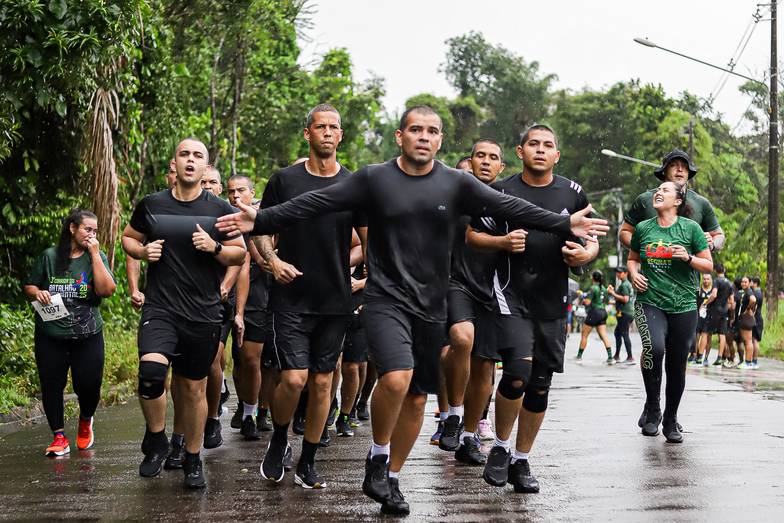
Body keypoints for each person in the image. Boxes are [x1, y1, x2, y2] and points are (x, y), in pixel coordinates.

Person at [216, 106, 609, 515]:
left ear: (440, 141)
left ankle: (390, 474)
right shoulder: (374, 178)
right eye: (416, 129)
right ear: (400, 136)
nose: (424, 136)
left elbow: (514, 209)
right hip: (386, 299)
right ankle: (380, 457)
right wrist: (261, 218)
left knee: (419, 400)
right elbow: (316, 202)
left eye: (432, 131)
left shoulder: (457, 184)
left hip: (431, 305)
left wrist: (565, 226)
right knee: (398, 376)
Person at [468, 124, 600, 493]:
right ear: (520, 151)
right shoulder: (501, 190)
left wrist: (585, 254)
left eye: (548, 146)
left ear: (557, 155)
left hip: (553, 299)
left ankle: (522, 460)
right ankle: (501, 446)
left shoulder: (572, 193)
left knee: (540, 386)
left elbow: (590, 241)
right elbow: (471, 235)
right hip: (511, 295)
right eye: (533, 144)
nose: (540, 150)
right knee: (515, 374)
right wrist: (501, 241)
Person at [122, 138, 246, 489]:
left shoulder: (220, 208)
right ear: (174, 163)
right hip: (161, 307)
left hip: (203, 312)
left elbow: (239, 254)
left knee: (193, 390)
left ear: (206, 167)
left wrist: (216, 247)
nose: (190, 161)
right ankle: (157, 439)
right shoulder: (152, 204)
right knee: (150, 373)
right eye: (184, 154)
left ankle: (193, 458)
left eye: (198, 156)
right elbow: (127, 239)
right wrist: (143, 251)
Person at [254, 104, 365, 489]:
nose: (328, 133)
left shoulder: (353, 186)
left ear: (341, 136)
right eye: (321, 127)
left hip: (335, 300)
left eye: (335, 128)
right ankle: (281, 435)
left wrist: (374, 282)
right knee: (294, 378)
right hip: (291, 297)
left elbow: (368, 241)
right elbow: (260, 228)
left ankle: (310, 459)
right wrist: (272, 260)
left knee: (322, 383)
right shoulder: (284, 181)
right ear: (308, 134)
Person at [24, 209, 116, 456]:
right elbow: (30, 284)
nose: (92, 234)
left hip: (88, 334)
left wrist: (95, 254)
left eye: (95, 231)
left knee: (89, 385)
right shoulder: (49, 257)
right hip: (50, 334)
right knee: (51, 385)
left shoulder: (96, 256)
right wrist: (37, 293)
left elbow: (107, 290)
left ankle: (86, 420)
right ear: (72, 228)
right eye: (88, 229)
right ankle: (59, 437)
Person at [628, 181, 712, 443]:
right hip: (649, 300)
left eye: (665, 190)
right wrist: (633, 274)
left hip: (684, 305)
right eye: (657, 190)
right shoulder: (643, 228)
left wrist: (687, 257)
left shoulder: (691, 228)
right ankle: (653, 407)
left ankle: (671, 418)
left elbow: (707, 265)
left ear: (677, 201)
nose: (658, 193)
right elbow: (633, 258)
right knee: (654, 348)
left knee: (677, 363)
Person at [439, 140, 506, 462]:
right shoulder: (455, 196)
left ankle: (468, 435)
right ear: (471, 161)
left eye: (493, 157)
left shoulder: (508, 199)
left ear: (501, 167)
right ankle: (452, 414)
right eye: (480, 155)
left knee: (485, 367)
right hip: (456, 282)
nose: (486, 161)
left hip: (494, 291)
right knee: (461, 338)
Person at [226, 174, 270, 438]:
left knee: (257, 358)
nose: (235, 196)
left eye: (241, 190)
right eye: (231, 192)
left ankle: (255, 412)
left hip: (259, 292)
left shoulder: (263, 215)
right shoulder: (222, 217)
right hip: (228, 291)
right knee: (240, 357)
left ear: (252, 192)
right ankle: (245, 405)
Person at [200, 166, 240, 447]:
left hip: (222, 298)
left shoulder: (226, 215)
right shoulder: (183, 210)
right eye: (204, 182)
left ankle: (212, 417)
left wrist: (226, 285)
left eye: (213, 182)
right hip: (188, 298)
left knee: (215, 357)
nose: (208, 186)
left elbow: (242, 259)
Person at [620, 149, 725, 253]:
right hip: (651, 268)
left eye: (685, 166)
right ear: (664, 171)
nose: (680, 169)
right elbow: (625, 231)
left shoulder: (701, 203)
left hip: (689, 268)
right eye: (673, 165)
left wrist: (711, 245)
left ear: (689, 173)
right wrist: (643, 249)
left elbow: (719, 236)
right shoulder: (645, 200)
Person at [576, 271, 614, 364]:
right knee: (604, 335)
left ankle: (579, 356)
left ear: (593, 278)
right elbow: (607, 301)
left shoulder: (593, 288)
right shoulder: (604, 289)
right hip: (602, 312)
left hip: (594, 313)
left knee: (584, 335)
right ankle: (610, 357)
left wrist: (582, 296)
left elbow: (588, 302)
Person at [704, 264, 733, 367]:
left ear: (716, 271)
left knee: (708, 333)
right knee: (722, 334)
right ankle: (720, 358)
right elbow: (732, 301)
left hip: (715, 310)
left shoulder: (716, 281)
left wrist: (705, 303)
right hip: (724, 311)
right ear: (724, 270)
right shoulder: (730, 283)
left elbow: (714, 294)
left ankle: (705, 357)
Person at [608, 266, 635, 363]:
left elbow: (625, 299)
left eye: (620, 272)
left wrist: (612, 293)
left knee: (624, 334)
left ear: (626, 273)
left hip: (625, 313)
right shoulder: (627, 284)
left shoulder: (624, 285)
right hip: (627, 312)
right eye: (617, 272)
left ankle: (630, 357)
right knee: (617, 333)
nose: (618, 274)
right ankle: (617, 355)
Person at [693, 273, 715, 366]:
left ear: (711, 280)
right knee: (696, 336)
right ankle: (695, 355)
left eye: (708, 279)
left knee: (708, 337)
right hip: (698, 316)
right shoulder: (698, 290)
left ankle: (705, 357)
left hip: (709, 317)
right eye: (704, 279)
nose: (706, 281)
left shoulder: (713, 291)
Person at [736, 276, 758, 370]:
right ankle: (748, 362)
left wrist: (748, 308)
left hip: (747, 319)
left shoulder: (749, 292)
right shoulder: (746, 292)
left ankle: (748, 362)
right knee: (747, 341)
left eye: (745, 282)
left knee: (748, 341)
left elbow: (753, 300)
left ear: (749, 283)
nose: (743, 283)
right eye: (742, 282)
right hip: (746, 318)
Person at [750, 276, 764, 369]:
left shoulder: (756, 294)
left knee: (754, 340)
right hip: (758, 318)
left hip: (756, 319)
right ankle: (753, 360)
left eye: (750, 282)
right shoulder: (759, 292)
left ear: (754, 283)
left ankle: (754, 361)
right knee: (754, 340)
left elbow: (753, 307)